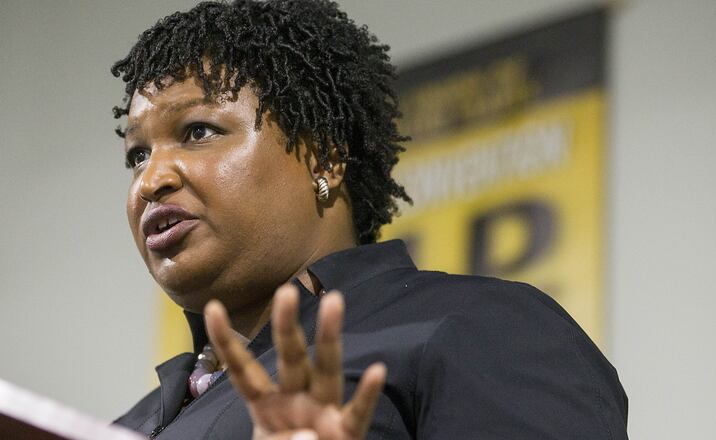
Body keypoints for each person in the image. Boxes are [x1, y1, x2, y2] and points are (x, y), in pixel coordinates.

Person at [110, 1, 628, 439]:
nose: (151, 180)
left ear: (324, 159)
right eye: (137, 155)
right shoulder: (125, 426)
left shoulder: (478, 326)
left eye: (199, 131)